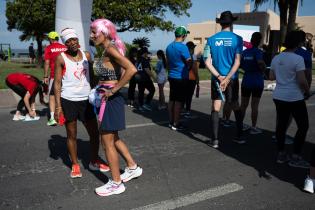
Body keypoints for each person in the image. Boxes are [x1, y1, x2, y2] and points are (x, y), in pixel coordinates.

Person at [90, 19, 142, 196]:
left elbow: (131, 69)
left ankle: (116, 183)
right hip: (105, 98)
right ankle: (132, 167)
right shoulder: (105, 49)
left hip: (110, 100)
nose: (91, 35)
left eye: (93, 31)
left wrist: (114, 90)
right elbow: (108, 74)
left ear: (104, 32)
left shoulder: (110, 49)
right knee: (114, 139)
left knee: (107, 143)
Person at [54, 28, 110, 179]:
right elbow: (57, 83)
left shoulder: (86, 55)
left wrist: (96, 89)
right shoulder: (60, 58)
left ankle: (94, 160)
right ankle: (75, 164)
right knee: (72, 134)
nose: (72, 43)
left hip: (86, 100)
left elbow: (94, 73)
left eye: (74, 40)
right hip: (69, 100)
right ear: (65, 43)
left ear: (78, 40)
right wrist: (57, 107)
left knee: (94, 133)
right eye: (68, 41)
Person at [269, 31, 310, 168]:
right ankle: (296, 157)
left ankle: (281, 154)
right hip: (294, 97)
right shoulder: (298, 59)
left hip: (279, 96)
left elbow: (271, 77)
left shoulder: (276, 58)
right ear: (298, 43)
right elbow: (302, 80)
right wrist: (307, 91)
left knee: (281, 125)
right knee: (303, 126)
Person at [204, 11, 244, 148]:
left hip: (217, 79)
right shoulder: (238, 39)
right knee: (235, 105)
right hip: (231, 78)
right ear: (232, 22)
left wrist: (220, 77)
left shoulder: (211, 39)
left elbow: (207, 62)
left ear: (220, 23)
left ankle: (215, 140)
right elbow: (237, 62)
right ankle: (239, 136)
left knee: (216, 107)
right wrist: (226, 78)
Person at [166, 26, 192, 131]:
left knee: (172, 99)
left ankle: (171, 121)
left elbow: (167, 63)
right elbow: (189, 61)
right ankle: (176, 123)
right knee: (179, 101)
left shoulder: (168, 47)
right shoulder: (183, 47)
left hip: (171, 76)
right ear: (183, 35)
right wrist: (188, 66)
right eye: (186, 35)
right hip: (181, 77)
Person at [240, 32, 266, 135]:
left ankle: (240, 125)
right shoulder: (258, 52)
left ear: (251, 40)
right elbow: (260, 62)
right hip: (257, 81)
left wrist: (247, 69)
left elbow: (240, 64)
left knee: (243, 105)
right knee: (254, 106)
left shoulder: (245, 52)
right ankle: (253, 127)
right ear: (259, 41)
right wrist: (263, 71)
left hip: (246, 80)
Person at [44, 31, 67, 126]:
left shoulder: (49, 48)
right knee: (64, 95)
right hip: (66, 76)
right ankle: (63, 116)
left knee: (52, 96)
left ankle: (53, 118)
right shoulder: (65, 47)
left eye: (48, 38)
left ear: (51, 39)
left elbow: (47, 62)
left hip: (54, 75)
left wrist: (45, 76)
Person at [136, 47, 156, 111]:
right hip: (146, 78)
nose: (147, 54)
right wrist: (154, 77)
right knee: (152, 90)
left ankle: (140, 105)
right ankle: (146, 104)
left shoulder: (138, 60)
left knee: (141, 92)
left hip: (139, 78)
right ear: (144, 53)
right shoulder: (145, 60)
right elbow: (147, 70)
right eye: (146, 53)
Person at [184, 41, 199, 118]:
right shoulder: (193, 56)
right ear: (191, 48)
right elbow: (195, 69)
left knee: (183, 95)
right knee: (189, 96)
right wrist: (197, 79)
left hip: (183, 77)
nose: (194, 49)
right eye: (193, 47)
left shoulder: (183, 55)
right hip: (191, 78)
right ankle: (187, 111)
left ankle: (182, 110)